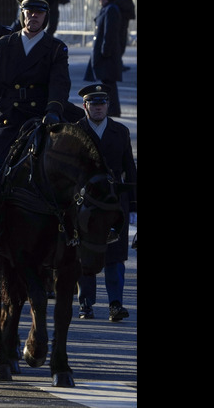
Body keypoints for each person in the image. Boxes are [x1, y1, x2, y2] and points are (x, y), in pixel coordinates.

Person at [0, 0, 71, 175]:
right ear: (22, 13)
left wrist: (54, 110)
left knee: (61, 167)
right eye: (29, 11)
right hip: (7, 115)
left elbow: (60, 84)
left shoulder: (56, 48)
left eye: (39, 12)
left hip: (40, 116)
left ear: (46, 16)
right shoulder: (3, 45)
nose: (33, 16)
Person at [75, 84, 137, 321]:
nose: (98, 108)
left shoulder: (120, 131)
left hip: (114, 203)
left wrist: (133, 206)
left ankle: (115, 304)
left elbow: (130, 170)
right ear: (85, 106)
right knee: (85, 253)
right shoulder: (75, 131)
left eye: (102, 104)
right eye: (93, 104)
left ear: (108, 106)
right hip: (85, 201)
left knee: (115, 255)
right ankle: (86, 304)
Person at [82, 0, 123, 117]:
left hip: (107, 53)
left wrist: (105, 51)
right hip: (104, 52)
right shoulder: (107, 9)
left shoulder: (111, 9)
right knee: (107, 81)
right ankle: (112, 109)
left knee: (109, 82)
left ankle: (113, 110)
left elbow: (109, 33)